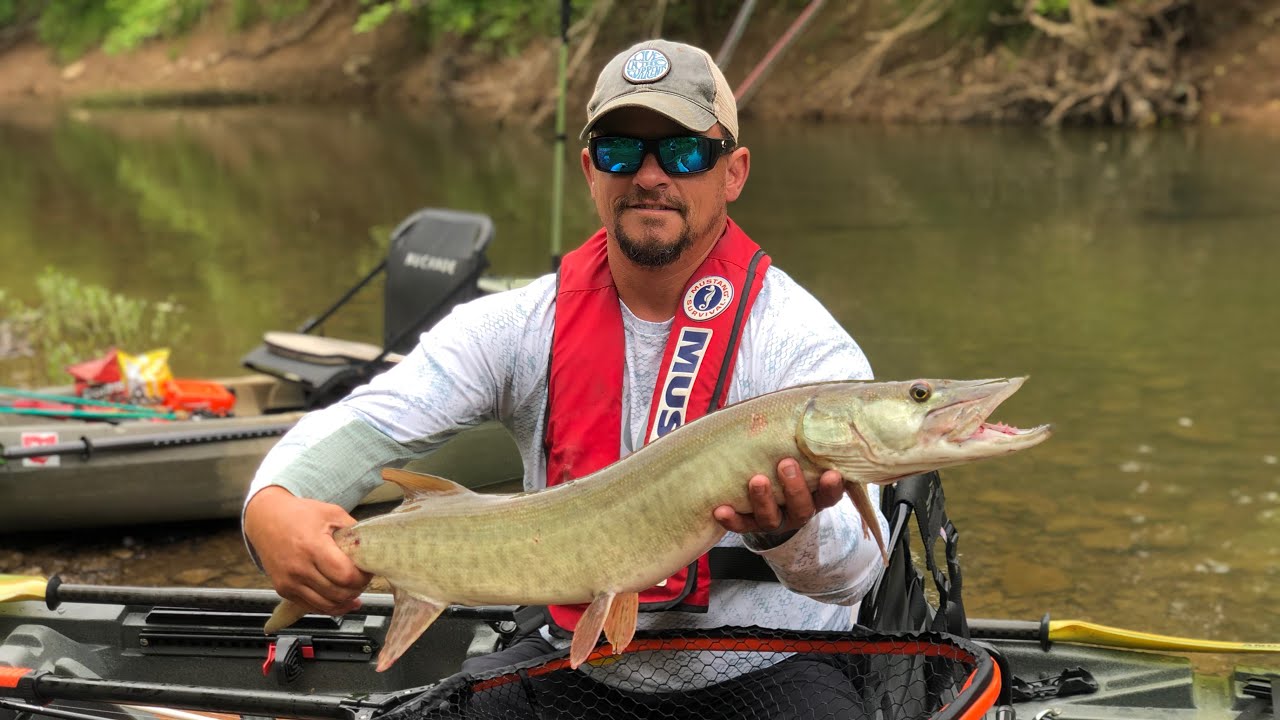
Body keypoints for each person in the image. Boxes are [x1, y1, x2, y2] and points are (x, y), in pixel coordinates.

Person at [243, 38, 887, 716]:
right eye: (619, 150)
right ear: (589, 169)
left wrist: (788, 531)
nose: (648, 175)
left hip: (768, 668)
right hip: (578, 665)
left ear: (733, 172)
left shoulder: (799, 343)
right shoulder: (516, 326)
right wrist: (273, 508)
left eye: (684, 151)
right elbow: (364, 425)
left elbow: (850, 577)